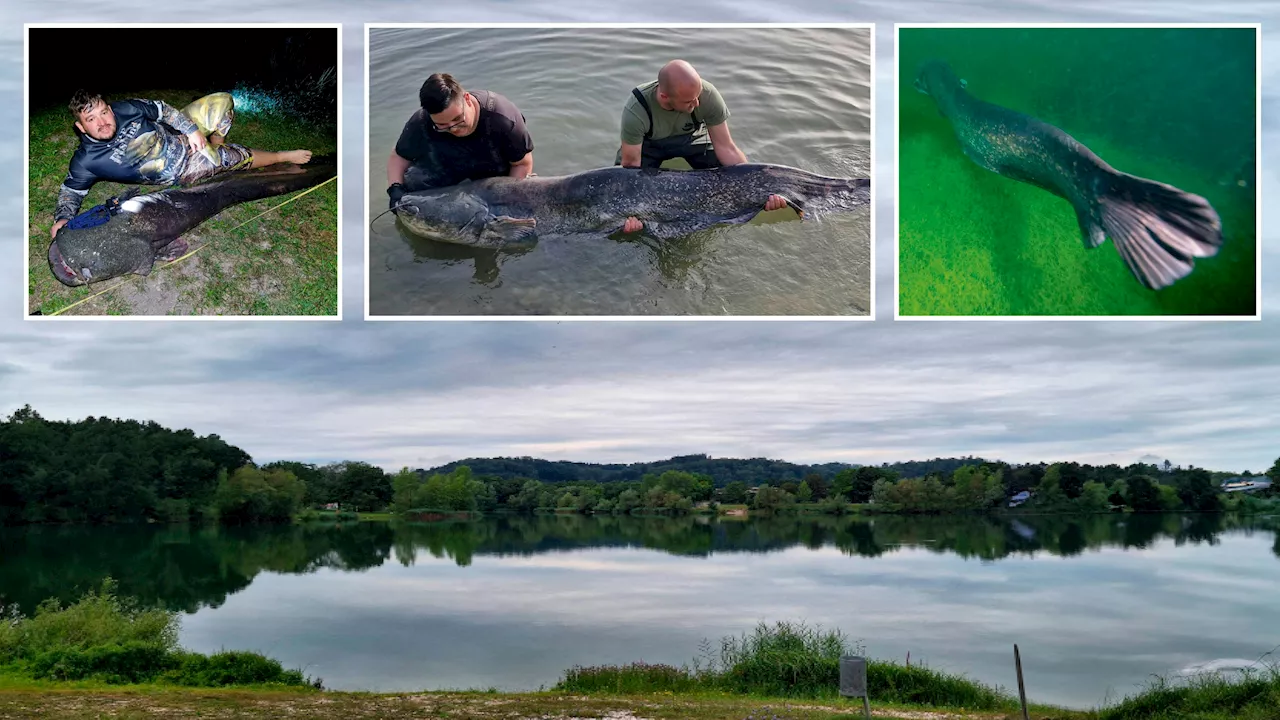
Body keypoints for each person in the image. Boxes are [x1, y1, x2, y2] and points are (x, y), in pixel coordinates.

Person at [51, 90, 313, 239]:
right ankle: (280, 156)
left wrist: (190, 130)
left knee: (222, 101)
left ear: (109, 107)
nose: (103, 122)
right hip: (183, 166)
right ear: (80, 126)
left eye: (104, 112)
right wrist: (63, 219)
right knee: (230, 158)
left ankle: (215, 141)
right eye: (91, 119)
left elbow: (162, 110)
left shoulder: (126, 108)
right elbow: (71, 191)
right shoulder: (87, 160)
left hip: (177, 134)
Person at [616, 60, 787, 233]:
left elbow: (727, 148)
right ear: (664, 97)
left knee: (728, 176)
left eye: (698, 96)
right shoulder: (636, 109)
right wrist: (631, 215)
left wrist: (754, 190)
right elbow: (631, 167)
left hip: (691, 141)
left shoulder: (708, 95)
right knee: (619, 193)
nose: (697, 103)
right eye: (689, 101)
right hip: (649, 147)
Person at [386, 73, 534, 212]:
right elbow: (399, 156)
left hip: (493, 171)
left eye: (458, 119)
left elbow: (522, 163)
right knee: (411, 180)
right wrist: (395, 189)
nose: (454, 128)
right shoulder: (421, 121)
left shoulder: (503, 118)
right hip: (452, 166)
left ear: (467, 99)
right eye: (443, 125)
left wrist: (506, 198)